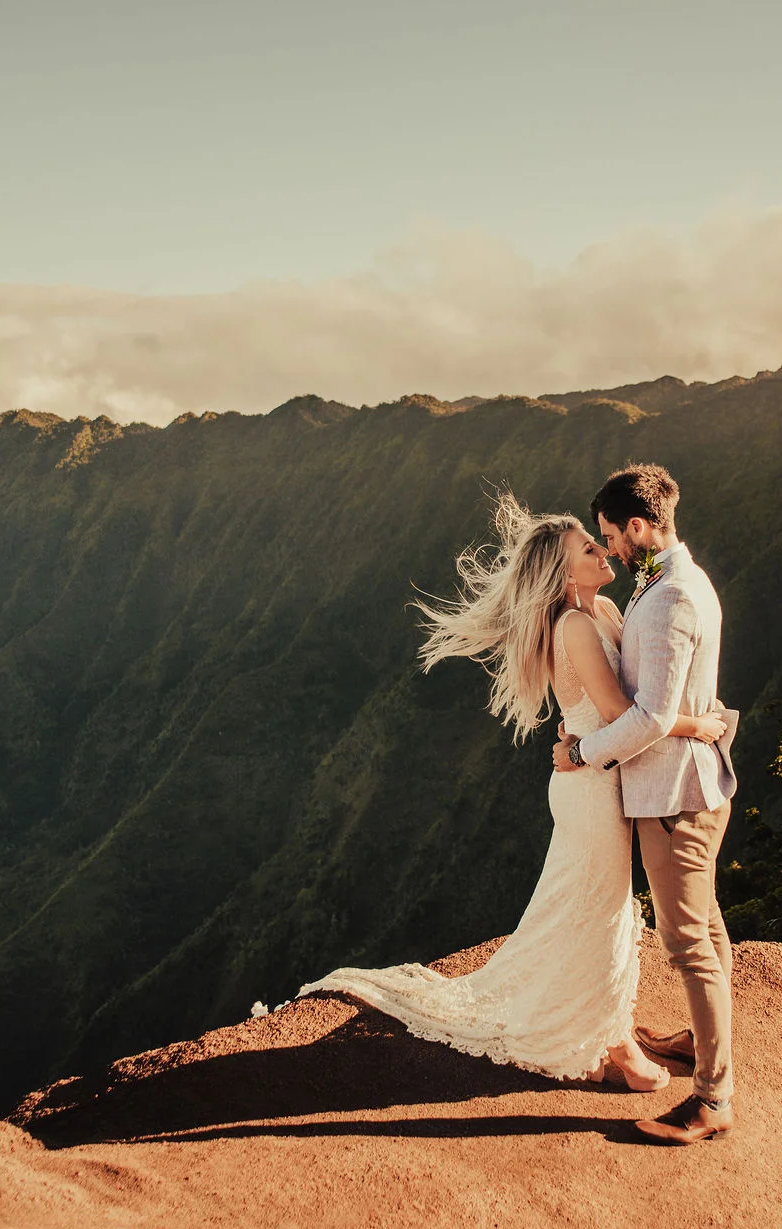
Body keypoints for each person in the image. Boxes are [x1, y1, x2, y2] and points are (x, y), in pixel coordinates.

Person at [299, 492, 726, 1093]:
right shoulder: (576, 625)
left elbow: (642, 684)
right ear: (562, 569)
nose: (603, 550)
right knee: (600, 910)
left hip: (602, 776)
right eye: (588, 547)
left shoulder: (604, 610)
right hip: (589, 789)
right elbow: (620, 711)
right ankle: (617, 1046)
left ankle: (611, 1024)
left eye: (600, 540)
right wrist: (696, 726)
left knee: (599, 905)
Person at [554, 463, 739, 1146]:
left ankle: (714, 1098)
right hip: (686, 784)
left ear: (639, 526)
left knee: (688, 940)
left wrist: (582, 752)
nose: (610, 548)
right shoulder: (669, 582)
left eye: (611, 534)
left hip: (674, 794)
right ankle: (702, 1040)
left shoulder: (668, 599)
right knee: (707, 924)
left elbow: (653, 717)